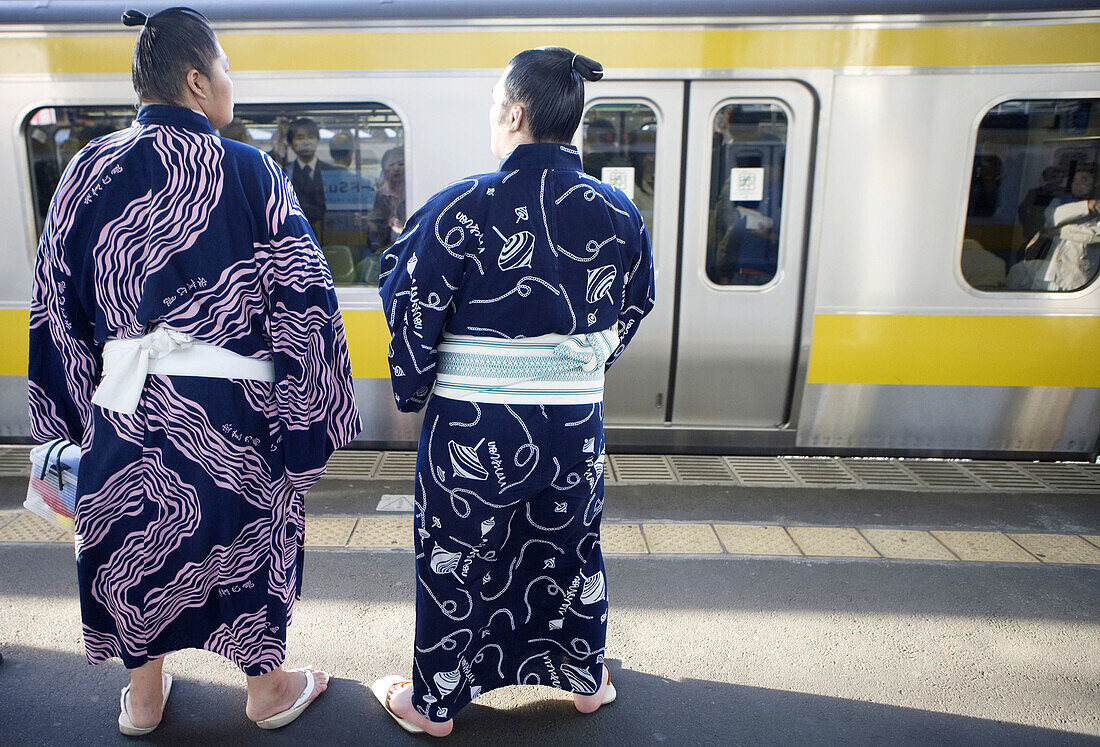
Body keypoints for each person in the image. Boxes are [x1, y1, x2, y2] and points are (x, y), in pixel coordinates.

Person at [28, 7, 361, 736]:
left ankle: (144, 700)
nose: (230, 82)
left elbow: (53, 305)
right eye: (226, 68)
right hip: (235, 418)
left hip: (122, 410)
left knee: (131, 539)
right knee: (248, 539)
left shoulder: (85, 169)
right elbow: (306, 300)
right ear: (194, 80)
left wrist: (62, 432)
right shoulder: (250, 171)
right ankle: (267, 689)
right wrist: (305, 426)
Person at [375, 47, 655, 737]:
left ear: (516, 113)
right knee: (569, 550)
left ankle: (435, 702)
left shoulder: (459, 205)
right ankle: (584, 679)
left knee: (457, 554)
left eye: (496, 107)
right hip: (573, 429)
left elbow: (410, 303)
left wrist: (413, 387)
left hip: (475, 425)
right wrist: (578, 370)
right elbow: (636, 303)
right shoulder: (620, 214)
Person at [368, 146, 406, 251]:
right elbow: (377, 221)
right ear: (385, 170)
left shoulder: (413, 193)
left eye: (401, 164)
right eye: (391, 165)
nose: (396, 168)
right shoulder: (381, 194)